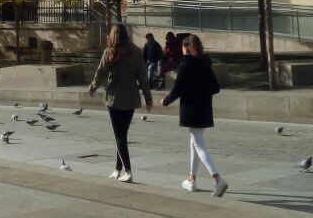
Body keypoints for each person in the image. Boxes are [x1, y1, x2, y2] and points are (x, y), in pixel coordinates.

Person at [161, 34, 228, 197]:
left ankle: (217, 179)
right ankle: (192, 179)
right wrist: (200, 89)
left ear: (186, 47)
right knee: (194, 142)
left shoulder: (186, 65)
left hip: (191, 108)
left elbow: (178, 89)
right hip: (204, 107)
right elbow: (215, 88)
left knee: (198, 144)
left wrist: (166, 100)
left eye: (183, 47)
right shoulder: (205, 63)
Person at [88, 24, 152, 183]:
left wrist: (93, 87)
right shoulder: (136, 52)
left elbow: (101, 72)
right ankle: (117, 169)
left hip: (114, 97)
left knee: (120, 136)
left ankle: (128, 170)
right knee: (122, 135)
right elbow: (142, 77)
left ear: (112, 35)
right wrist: (148, 97)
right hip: (131, 97)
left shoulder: (110, 52)